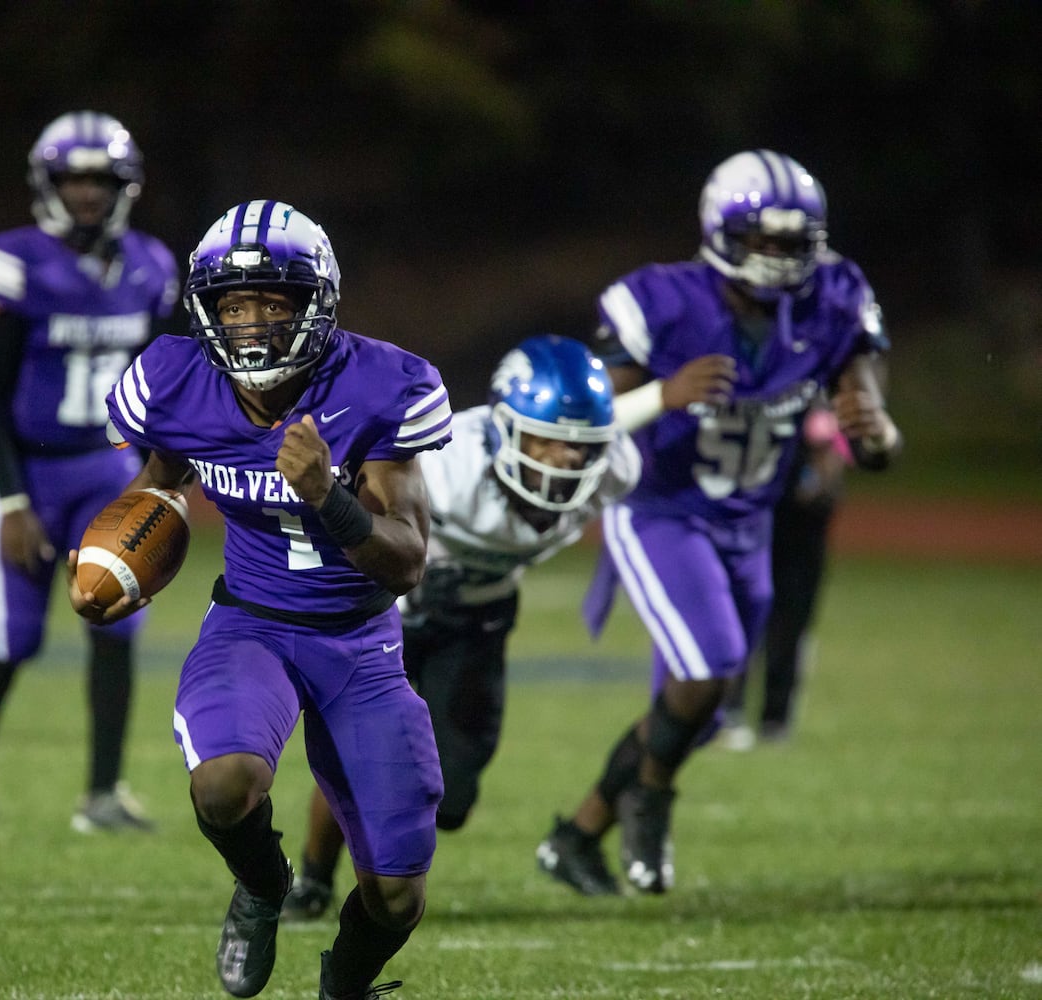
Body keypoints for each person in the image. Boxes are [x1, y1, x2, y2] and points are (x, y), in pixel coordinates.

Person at [70, 200, 452, 999]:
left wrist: (330, 498)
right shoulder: (176, 381)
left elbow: (408, 561)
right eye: (234, 305)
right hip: (253, 624)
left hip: (361, 647)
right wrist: (119, 564)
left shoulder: (383, 384)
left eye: (274, 303)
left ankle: (342, 988)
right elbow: (160, 486)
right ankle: (264, 885)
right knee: (223, 783)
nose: (252, 324)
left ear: (316, 303)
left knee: (397, 896)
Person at [537, 149, 902, 897]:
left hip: (749, 522)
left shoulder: (835, 297)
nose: (778, 255)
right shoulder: (662, 301)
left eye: (792, 241)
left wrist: (877, 433)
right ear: (723, 232)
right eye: (763, 238)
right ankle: (651, 805)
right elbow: (579, 422)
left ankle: (575, 837)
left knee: (694, 710)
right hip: (660, 511)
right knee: (708, 672)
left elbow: (872, 427)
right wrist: (662, 396)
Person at [281, 334, 649, 921]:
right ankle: (314, 880)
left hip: (480, 621)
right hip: (395, 613)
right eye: (550, 444)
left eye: (580, 448)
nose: (568, 461)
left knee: (450, 801)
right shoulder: (445, 463)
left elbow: (619, 427)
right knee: (356, 754)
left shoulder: (614, 469)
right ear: (505, 429)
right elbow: (359, 521)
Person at [0, 111, 179, 832]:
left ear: (125, 187)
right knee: (18, 634)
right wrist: (12, 497)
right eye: (73, 179)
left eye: (100, 180)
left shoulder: (152, 267)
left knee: (116, 625)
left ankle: (103, 793)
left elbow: (159, 382)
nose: (86, 194)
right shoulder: (11, 265)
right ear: (48, 185)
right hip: (32, 469)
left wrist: (158, 476)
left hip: (107, 470)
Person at [718, 402, 850, 750]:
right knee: (744, 615)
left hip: (801, 526)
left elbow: (833, 452)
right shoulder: (767, 387)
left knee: (791, 623)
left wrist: (822, 478)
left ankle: (776, 717)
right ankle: (730, 712)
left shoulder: (821, 388)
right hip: (758, 519)